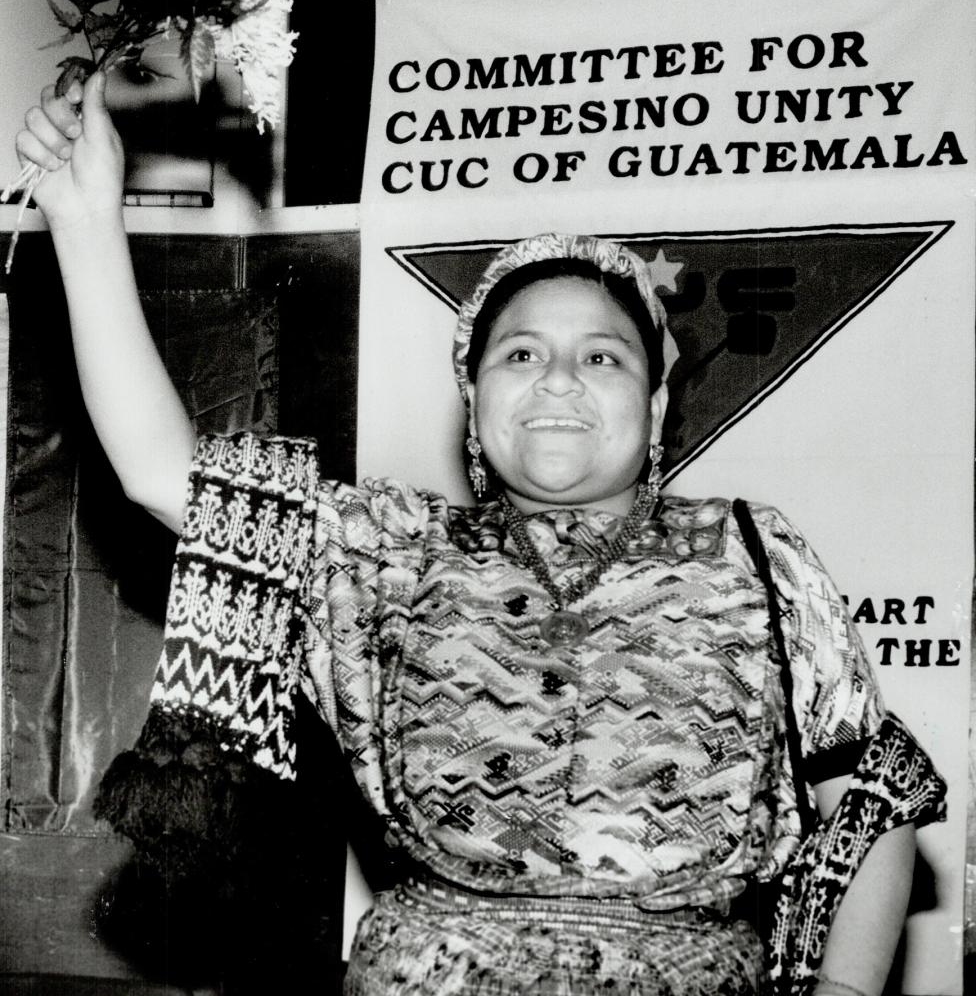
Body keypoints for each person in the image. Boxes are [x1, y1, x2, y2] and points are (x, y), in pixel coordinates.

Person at [15, 75, 945, 996]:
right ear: (476, 399)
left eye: (603, 357)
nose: (558, 381)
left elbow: (874, 802)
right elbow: (161, 475)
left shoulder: (752, 554)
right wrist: (86, 220)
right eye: (521, 353)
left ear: (656, 407)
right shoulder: (389, 552)